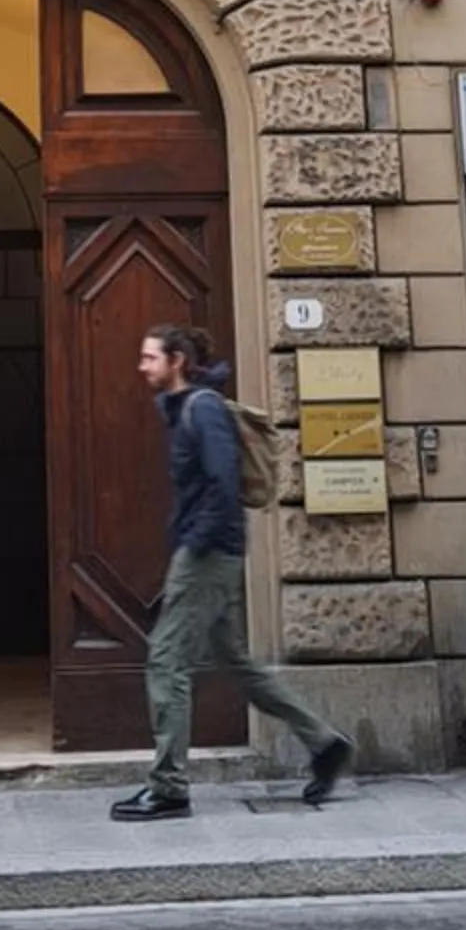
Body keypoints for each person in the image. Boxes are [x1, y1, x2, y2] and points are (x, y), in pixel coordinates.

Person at [110, 325, 352, 823]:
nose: (142, 367)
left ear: (176, 360)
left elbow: (222, 486)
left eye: (149, 357)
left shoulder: (203, 410)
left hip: (207, 554)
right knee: (236, 661)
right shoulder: (186, 410)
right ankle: (325, 743)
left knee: (166, 661)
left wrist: (195, 545)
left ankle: (169, 787)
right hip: (212, 550)